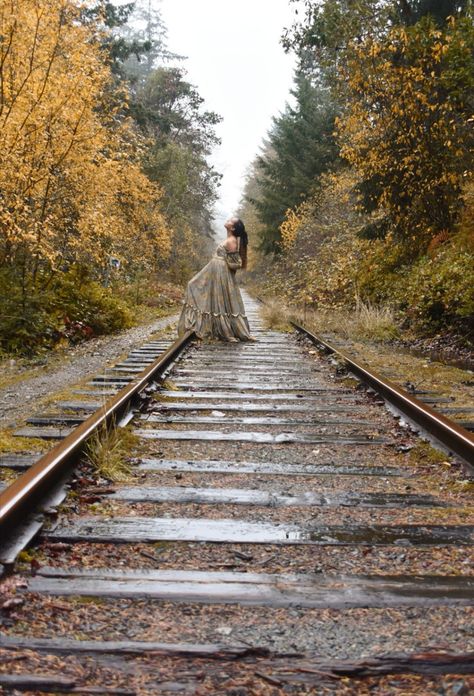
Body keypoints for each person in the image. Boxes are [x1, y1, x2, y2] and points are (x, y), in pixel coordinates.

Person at [177, 217, 256, 341]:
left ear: (233, 228)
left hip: (221, 272)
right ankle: (219, 328)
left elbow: (236, 263)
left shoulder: (231, 241)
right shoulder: (229, 239)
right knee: (193, 284)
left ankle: (226, 331)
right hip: (215, 270)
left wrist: (225, 275)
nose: (228, 220)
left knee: (219, 300)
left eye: (231, 220)